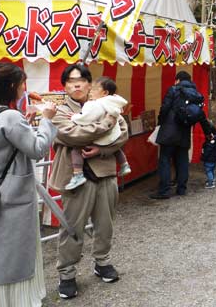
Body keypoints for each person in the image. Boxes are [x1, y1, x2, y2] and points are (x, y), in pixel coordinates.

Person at [0, 63, 57, 307]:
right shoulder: (10, 116)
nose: (24, 88)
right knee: (12, 260)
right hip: (12, 199)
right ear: (12, 86)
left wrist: (27, 122)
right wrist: (47, 121)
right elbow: (37, 149)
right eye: (22, 83)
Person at [48, 63, 129, 299]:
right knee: (72, 227)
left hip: (105, 171)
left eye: (81, 80)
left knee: (105, 223)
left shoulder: (105, 103)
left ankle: (102, 261)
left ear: (89, 84)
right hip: (74, 178)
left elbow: (123, 132)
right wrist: (106, 125)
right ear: (64, 86)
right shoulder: (60, 111)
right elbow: (72, 135)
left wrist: (101, 150)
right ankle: (67, 273)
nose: (76, 84)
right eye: (71, 81)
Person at [151, 70, 211, 199]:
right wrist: (208, 132)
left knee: (165, 160)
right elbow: (201, 116)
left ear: (177, 80)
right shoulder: (196, 94)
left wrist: (159, 123)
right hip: (185, 131)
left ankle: (164, 191)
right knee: (182, 160)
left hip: (169, 131)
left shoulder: (173, 90)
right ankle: (181, 189)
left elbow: (165, 108)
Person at [64, 76, 130, 190]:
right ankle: (124, 164)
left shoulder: (95, 104)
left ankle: (78, 174)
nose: (90, 91)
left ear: (104, 92)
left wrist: (75, 117)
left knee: (77, 149)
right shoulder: (113, 104)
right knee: (116, 147)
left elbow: (86, 119)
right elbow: (69, 135)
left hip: (105, 173)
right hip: (110, 137)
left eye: (93, 88)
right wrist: (108, 124)